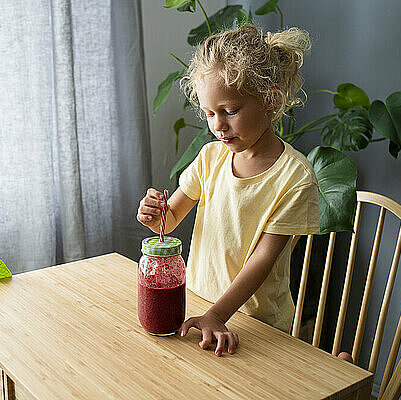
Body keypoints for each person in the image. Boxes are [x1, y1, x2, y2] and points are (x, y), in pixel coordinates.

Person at [137, 23, 354, 363]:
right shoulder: (211, 157)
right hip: (200, 309)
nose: (218, 125)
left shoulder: (294, 177)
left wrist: (218, 314)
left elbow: (263, 259)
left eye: (230, 111)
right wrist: (155, 213)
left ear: (269, 99)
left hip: (256, 325)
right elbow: (171, 217)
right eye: (210, 113)